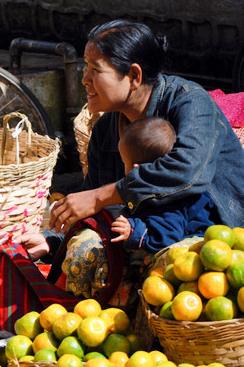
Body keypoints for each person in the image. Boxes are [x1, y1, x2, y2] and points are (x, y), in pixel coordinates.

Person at [18, 19, 244, 260]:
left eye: (95, 70)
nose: (84, 79)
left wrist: (102, 196)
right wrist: (51, 243)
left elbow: (187, 171)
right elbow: (94, 210)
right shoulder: (105, 130)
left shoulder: (190, 102)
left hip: (217, 239)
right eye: (85, 67)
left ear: (134, 75)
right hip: (145, 238)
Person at [110, 116, 217, 252]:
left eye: (125, 163)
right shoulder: (180, 179)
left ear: (137, 170)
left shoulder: (162, 199)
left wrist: (133, 230)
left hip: (195, 249)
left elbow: (166, 240)